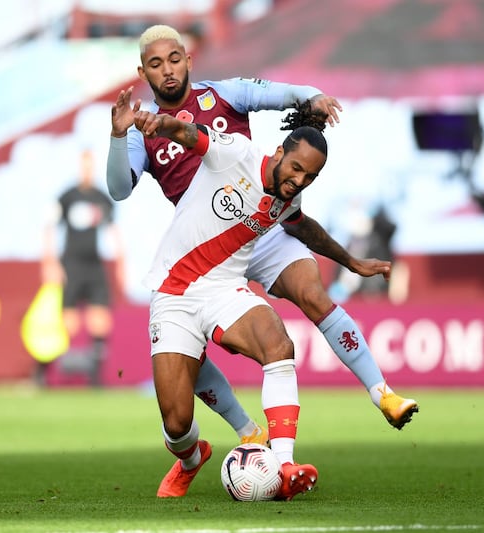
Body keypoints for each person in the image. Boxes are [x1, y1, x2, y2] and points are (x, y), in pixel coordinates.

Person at [107, 24, 418, 431]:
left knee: (312, 294)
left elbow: (276, 93)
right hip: (209, 249)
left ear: (188, 60)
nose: (167, 70)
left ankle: (383, 394)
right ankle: (246, 432)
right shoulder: (139, 129)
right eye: (155, 64)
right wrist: (117, 134)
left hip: (263, 227)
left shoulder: (223, 94)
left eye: (174, 59)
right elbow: (118, 188)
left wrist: (312, 96)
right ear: (143, 72)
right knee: (189, 342)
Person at [132, 101, 335, 499]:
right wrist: (155, 123)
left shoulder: (287, 200)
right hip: (174, 292)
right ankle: (192, 458)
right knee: (176, 424)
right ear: (280, 152)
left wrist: (353, 261)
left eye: (309, 177)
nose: (298, 180)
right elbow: (190, 135)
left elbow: (306, 230)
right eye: (296, 168)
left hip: (225, 288)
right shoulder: (238, 153)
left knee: (279, 345)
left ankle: (283, 465)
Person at [39, 148, 123, 387]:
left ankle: (95, 377)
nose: (87, 170)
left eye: (90, 165)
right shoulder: (67, 197)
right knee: (68, 323)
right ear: (79, 167)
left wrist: (120, 263)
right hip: (71, 264)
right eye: (83, 165)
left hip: (94, 264)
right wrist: (50, 262)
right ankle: (45, 372)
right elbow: (49, 227)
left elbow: (113, 231)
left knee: (100, 320)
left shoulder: (100, 198)